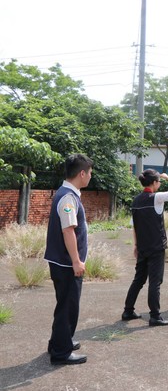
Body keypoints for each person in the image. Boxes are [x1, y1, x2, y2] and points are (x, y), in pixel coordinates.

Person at [45, 154, 93, 365]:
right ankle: (61, 352)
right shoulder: (67, 198)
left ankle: (59, 342)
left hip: (62, 262)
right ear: (81, 173)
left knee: (64, 304)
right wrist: (76, 261)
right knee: (68, 307)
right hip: (66, 263)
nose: (91, 176)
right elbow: (68, 231)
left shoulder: (68, 194)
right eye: (90, 173)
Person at [122, 170, 168, 326]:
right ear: (154, 182)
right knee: (155, 282)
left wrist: (135, 245)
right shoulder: (157, 198)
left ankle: (128, 310)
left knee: (139, 279)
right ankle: (155, 316)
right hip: (156, 247)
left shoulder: (136, 201)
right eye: (159, 182)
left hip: (142, 246)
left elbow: (134, 226)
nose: (159, 184)